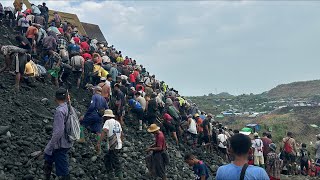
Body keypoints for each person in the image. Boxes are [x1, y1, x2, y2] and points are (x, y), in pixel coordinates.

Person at [44, 88, 72, 180]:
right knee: (48, 157)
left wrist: (50, 145)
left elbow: (58, 131)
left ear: (55, 98)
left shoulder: (59, 111)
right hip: (67, 140)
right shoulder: (68, 107)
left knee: (63, 170)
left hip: (60, 144)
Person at [80, 86, 108, 154]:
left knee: (81, 124)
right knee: (98, 132)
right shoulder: (104, 99)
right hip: (99, 117)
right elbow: (107, 108)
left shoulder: (94, 96)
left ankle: (82, 138)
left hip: (92, 115)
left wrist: (85, 115)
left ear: (95, 90)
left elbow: (92, 106)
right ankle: (98, 145)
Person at [98, 109, 124, 179]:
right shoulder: (117, 122)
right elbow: (122, 134)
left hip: (113, 145)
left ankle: (119, 175)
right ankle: (110, 173)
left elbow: (104, 131)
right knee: (107, 158)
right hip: (118, 144)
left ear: (106, 117)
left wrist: (98, 143)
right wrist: (121, 142)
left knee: (115, 160)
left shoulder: (107, 121)